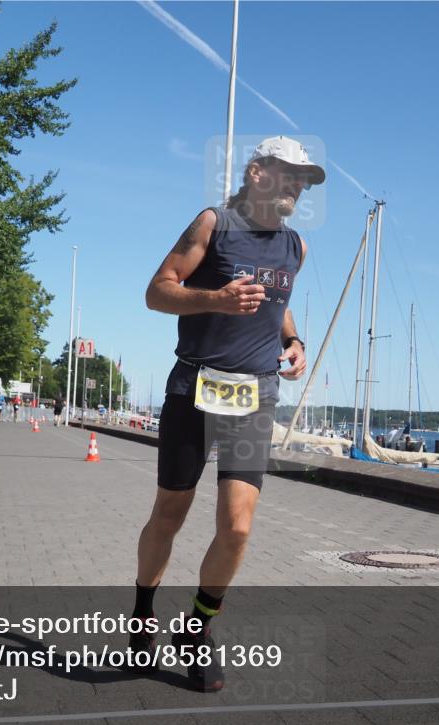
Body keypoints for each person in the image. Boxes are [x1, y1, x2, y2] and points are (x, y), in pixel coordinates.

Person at [129, 136, 322, 692]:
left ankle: (196, 628)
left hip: (254, 395)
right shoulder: (213, 223)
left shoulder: (296, 248)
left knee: (237, 527)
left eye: (304, 181)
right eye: (290, 174)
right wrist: (214, 299)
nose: (298, 187)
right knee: (170, 513)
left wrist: (294, 341)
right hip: (195, 386)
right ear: (258, 172)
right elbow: (157, 291)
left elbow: (277, 309)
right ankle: (142, 616)